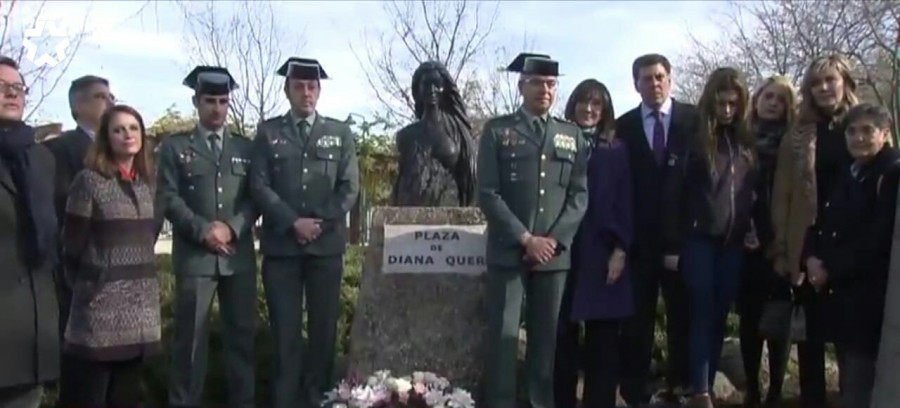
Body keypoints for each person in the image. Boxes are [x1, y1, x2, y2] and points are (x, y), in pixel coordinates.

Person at [478, 53, 589, 408]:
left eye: (551, 83)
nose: (545, 90)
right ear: (521, 85)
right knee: (504, 337)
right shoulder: (497, 131)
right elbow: (488, 193)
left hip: (553, 257)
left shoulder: (571, 135)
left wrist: (552, 241)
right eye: (538, 82)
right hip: (508, 251)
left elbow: (579, 195)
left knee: (546, 342)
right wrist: (525, 238)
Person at [249, 57, 360, 408]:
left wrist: (318, 222)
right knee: (285, 334)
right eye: (299, 86)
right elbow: (259, 185)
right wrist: (291, 222)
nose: (306, 93)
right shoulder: (268, 132)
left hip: (325, 249)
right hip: (282, 249)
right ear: (287, 90)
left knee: (324, 333)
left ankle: (321, 399)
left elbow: (349, 187)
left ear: (320, 91)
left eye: (312, 87)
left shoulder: (339, 133)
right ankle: (285, 400)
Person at [156, 66, 258, 408]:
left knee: (242, 340)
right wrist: (203, 230)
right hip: (196, 258)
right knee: (191, 344)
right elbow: (168, 196)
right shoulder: (175, 146)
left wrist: (232, 227)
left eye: (223, 101)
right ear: (196, 102)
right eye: (210, 100)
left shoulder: (246, 147)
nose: (217, 108)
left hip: (237, 259)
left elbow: (255, 196)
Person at [663, 67, 757, 408]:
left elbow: (749, 192)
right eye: (722, 102)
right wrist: (673, 245)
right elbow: (674, 194)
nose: (728, 109)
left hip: (733, 243)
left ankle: (706, 380)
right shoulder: (693, 137)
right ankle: (700, 389)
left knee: (719, 313)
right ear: (711, 100)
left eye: (734, 103)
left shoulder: (745, 140)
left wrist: (751, 228)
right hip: (698, 239)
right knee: (701, 311)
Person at [772, 53, 859, 408]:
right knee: (810, 340)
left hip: (855, 248)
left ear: (845, 83)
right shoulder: (798, 134)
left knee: (854, 344)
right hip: (809, 247)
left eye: (831, 81)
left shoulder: (864, 125)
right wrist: (788, 251)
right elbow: (782, 195)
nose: (824, 88)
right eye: (817, 83)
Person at [59, 104, 160, 407]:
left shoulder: (145, 186)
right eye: (118, 129)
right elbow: (71, 248)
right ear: (106, 138)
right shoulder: (88, 182)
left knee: (125, 399)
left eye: (133, 128)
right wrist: (94, 286)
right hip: (98, 319)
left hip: (139, 319)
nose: (127, 135)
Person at [802, 103, 900, 408]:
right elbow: (827, 222)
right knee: (849, 376)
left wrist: (830, 268)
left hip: (874, 298)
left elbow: (878, 239)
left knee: (861, 383)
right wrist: (812, 258)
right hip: (844, 295)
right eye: (852, 131)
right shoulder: (852, 171)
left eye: (867, 130)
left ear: (884, 134)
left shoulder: (891, 174)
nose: (858, 138)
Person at [616, 53, 698, 406]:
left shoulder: (694, 120)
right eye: (647, 79)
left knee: (683, 318)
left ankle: (680, 387)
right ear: (636, 84)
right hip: (639, 243)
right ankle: (636, 391)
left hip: (684, 241)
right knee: (638, 323)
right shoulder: (624, 126)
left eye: (660, 76)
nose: (655, 83)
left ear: (670, 78)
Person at [554, 79, 632, 408]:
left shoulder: (616, 149)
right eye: (584, 103)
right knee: (562, 337)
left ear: (605, 111)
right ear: (572, 106)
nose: (589, 109)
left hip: (603, 252)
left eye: (596, 105)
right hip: (563, 249)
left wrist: (621, 249)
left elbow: (626, 200)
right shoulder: (556, 142)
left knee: (603, 342)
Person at [0, 55, 59, 408]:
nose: (11, 94)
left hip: (31, 332)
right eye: (1, 87)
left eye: (17, 88)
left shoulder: (41, 159)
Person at [739, 75, 797, 408]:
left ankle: (776, 390)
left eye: (781, 99)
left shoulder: (795, 142)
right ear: (757, 100)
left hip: (782, 242)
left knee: (779, 322)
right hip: (747, 242)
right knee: (750, 321)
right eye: (768, 97)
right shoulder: (743, 141)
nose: (773, 103)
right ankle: (753, 391)